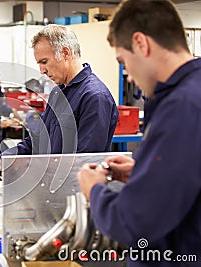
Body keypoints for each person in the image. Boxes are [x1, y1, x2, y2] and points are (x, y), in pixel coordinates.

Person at [77, 1, 201, 266]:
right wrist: (145, 171)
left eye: (123, 61)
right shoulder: (193, 92)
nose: (129, 77)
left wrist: (95, 191)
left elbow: (135, 223)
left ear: (141, 43)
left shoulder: (181, 106)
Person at [0, 24, 118, 171]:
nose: (42, 70)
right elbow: (37, 139)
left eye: (44, 62)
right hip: (52, 185)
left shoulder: (94, 97)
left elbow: (85, 162)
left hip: (75, 190)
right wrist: (3, 160)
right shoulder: (57, 93)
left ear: (65, 53)